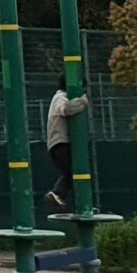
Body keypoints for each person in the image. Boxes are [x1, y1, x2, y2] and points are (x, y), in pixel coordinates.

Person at [42, 79, 90, 212]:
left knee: (72, 174)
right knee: (73, 173)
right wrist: (83, 101)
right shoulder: (60, 97)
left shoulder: (59, 97)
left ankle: (71, 202)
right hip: (60, 143)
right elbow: (66, 109)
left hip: (59, 143)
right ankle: (57, 194)